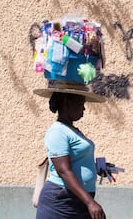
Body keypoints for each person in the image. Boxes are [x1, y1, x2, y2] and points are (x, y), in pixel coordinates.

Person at [34, 81, 106, 219]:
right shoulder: (57, 132)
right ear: (67, 103)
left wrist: (96, 167)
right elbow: (64, 171)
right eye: (81, 103)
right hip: (61, 202)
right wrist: (90, 202)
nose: (84, 109)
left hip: (78, 201)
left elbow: (77, 162)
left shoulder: (72, 130)